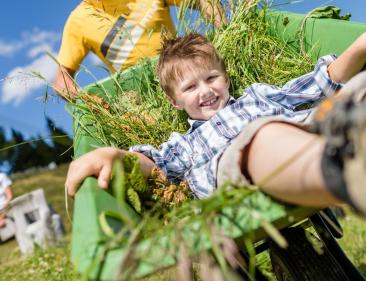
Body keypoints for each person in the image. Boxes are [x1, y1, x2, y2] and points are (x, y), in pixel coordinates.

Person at [66, 32, 366, 216]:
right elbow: (154, 162)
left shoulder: (257, 96)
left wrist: (359, 48)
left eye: (211, 78)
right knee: (262, 137)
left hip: (313, 129)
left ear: (225, 77)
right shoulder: (185, 144)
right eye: (190, 88)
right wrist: (114, 155)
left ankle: (351, 139)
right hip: (248, 169)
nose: (206, 91)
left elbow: (319, 83)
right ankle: (346, 168)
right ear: (175, 102)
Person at [54, 0, 226, 99]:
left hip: (182, 82)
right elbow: (61, 81)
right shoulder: (78, 20)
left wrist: (224, 37)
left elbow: (205, 2)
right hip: (139, 103)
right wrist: (91, 101)